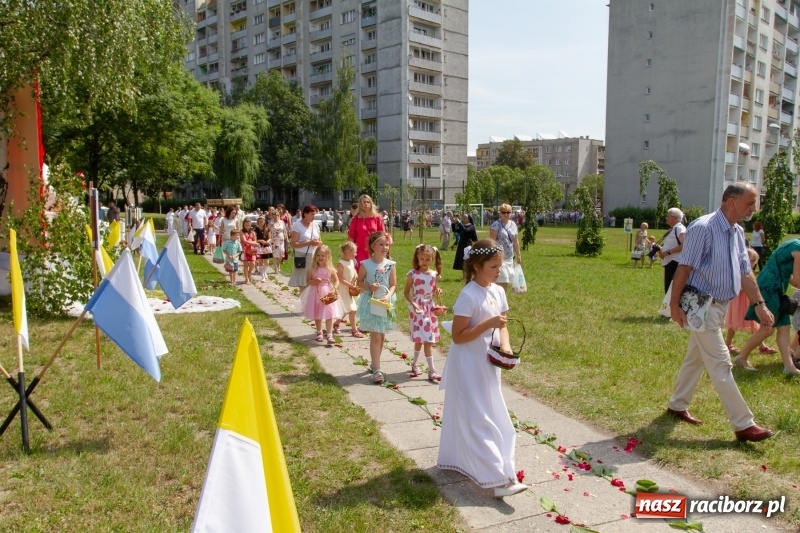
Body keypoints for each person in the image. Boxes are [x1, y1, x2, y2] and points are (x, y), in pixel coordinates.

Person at [667, 181, 775, 443]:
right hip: (701, 307)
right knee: (720, 363)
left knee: (695, 358)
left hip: (718, 307)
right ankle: (743, 424)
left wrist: (759, 304)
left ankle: (677, 404)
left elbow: (745, 272)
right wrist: (673, 305)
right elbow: (684, 268)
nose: (753, 208)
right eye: (750, 203)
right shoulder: (703, 228)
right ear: (731, 202)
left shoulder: (737, 231)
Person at [437, 239, 526, 498]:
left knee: (489, 412)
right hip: (467, 364)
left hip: (487, 364)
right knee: (479, 417)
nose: (499, 271)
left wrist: (506, 348)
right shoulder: (469, 295)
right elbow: (458, 336)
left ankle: (467, 460)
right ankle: (497, 479)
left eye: (500, 265)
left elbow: (503, 325)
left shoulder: (498, 292)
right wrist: (488, 324)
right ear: (477, 266)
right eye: (493, 266)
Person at [732, 237, 800, 375]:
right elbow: (798, 280)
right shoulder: (798, 249)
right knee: (767, 328)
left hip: (775, 287)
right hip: (769, 288)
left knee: (784, 327)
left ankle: (789, 366)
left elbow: (793, 280)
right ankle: (741, 358)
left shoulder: (794, 244)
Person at [355, 232, 397, 384]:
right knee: (376, 336)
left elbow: (393, 284)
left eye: (386, 244)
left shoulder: (390, 264)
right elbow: (359, 282)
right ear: (372, 247)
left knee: (382, 334)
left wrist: (389, 295)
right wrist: (369, 286)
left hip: (384, 302)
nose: (385, 247)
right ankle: (378, 371)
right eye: (381, 244)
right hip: (371, 302)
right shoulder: (366, 264)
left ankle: (375, 363)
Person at [724, 248, 777, 355]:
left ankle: (762, 346)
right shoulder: (737, 272)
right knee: (734, 323)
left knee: (754, 323)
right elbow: (735, 287)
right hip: (739, 302)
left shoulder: (750, 272)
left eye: (754, 261)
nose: (751, 263)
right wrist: (747, 289)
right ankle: (727, 344)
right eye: (749, 260)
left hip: (749, 301)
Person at [404, 244, 443, 382]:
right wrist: (414, 304)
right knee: (424, 339)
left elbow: (432, 288)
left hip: (429, 308)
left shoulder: (434, 275)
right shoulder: (413, 274)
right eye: (422, 259)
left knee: (426, 339)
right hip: (418, 309)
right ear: (417, 258)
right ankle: (426, 368)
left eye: (427, 259)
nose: (424, 262)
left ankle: (422, 367)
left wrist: (437, 290)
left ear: (431, 259)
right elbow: (406, 292)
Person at [299, 245, 341, 344]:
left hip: (327, 291)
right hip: (315, 293)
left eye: (323, 255)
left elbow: (337, 280)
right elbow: (308, 281)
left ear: (327, 257)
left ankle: (330, 334)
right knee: (317, 313)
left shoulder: (330, 268)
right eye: (318, 255)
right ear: (315, 257)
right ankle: (319, 332)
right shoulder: (312, 269)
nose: (320, 258)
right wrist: (314, 281)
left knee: (329, 314)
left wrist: (334, 288)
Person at [289, 205, 322, 294]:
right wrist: (308, 243)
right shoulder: (297, 225)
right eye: (312, 214)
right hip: (302, 256)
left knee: (314, 280)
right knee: (304, 281)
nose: (313, 217)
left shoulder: (315, 225)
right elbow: (293, 244)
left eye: (314, 214)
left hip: (315, 257)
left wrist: (318, 243)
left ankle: (312, 303)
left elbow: (320, 241)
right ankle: (304, 303)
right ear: (305, 214)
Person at [489, 203, 522, 292]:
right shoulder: (496, 225)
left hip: (510, 258)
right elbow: (492, 242)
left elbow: (515, 241)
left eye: (508, 212)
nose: (506, 214)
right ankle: (499, 303)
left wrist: (519, 255)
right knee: (502, 282)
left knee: (506, 282)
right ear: (500, 213)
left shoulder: (513, 224)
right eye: (504, 212)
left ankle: (501, 301)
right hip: (499, 258)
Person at [333, 241, 363, 338]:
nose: (356, 254)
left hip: (351, 288)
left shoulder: (351, 260)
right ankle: (354, 330)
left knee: (346, 309)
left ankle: (336, 324)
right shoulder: (341, 264)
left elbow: (353, 269)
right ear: (348, 252)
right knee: (351, 310)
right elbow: (340, 278)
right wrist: (350, 285)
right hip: (344, 289)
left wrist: (356, 274)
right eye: (354, 252)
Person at [348, 194, 386, 264]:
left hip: (375, 249)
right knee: (361, 271)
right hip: (359, 251)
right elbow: (351, 237)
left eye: (368, 202)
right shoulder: (355, 219)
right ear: (360, 204)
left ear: (371, 203)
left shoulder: (377, 218)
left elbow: (382, 235)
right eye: (363, 202)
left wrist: (383, 248)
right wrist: (351, 251)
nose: (366, 204)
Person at [657, 208, 686, 293]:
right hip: (670, 263)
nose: (666, 218)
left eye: (668, 216)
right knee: (668, 291)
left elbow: (684, 245)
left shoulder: (680, 228)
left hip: (675, 263)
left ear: (675, 218)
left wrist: (667, 253)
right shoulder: (674, 229)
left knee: (671, 292)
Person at [268, 208, 287, 275]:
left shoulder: (282, 222)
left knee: (281, 254)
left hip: (281, 240)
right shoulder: (271, 222)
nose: (275, 218)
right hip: (274, 240)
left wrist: (286, 238)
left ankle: (278, 264)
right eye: (273, 216)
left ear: (278, 216)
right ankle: (276, 267)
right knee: (274, 254)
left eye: (276, 216)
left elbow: (284, 230)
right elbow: (268, 230)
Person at [240, 219, 258, 284]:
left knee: (253, 263)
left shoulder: (252, 232)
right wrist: (253, 243)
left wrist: (253, 243)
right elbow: (244, 240)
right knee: (246, 264)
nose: (247, 226)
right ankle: (247, 279)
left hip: (251, 249)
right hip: (245, 249)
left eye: (249, 225)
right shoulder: (241, 231)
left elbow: (255, 240)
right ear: (243, 225)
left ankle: (249, 273)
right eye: (246, 225)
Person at [254, 216, 271, 282]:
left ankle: (264, 271)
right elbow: (255, 239)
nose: (261, 223)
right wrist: (260, 240)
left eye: (262, 221)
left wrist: (268, 241)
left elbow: (270, 238)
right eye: (260, 221)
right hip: (259, 247)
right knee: (260, 261)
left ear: (264, 222)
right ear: (258, 222)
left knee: (266, 262)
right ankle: (262, 276)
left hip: (266, 247)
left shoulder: (267, 229)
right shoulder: (255, 230)